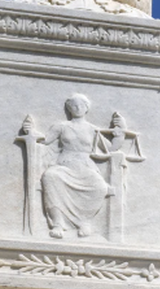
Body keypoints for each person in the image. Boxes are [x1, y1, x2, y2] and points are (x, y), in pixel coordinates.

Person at [39, 94, 112, 239]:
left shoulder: (93, 129)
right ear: (69, 108)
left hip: (86, 166)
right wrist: (30, 132)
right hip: (65, 164)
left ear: (86, 108)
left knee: (100, 187)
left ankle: (84, 221)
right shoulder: (61, 126)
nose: (77, 108)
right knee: (51, 176)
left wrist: (120, 133)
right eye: (74, 105)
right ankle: (58, 223)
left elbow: (110, 148)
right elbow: (44, 141)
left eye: (81, 105)